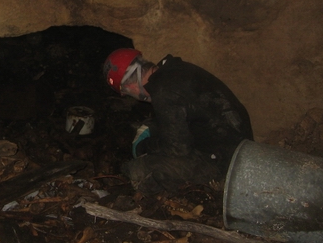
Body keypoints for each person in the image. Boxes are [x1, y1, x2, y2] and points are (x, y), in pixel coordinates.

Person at [103, 48, 253, 194]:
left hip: (226, 164)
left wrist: (144, 147)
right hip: (238, 148)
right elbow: (187, 116)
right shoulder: (176, 71)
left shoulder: (164, 91)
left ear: (130, 86)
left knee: (138, 170)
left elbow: (177, 150)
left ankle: (217, 186)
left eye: (128, 92)